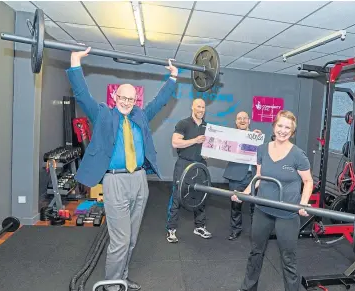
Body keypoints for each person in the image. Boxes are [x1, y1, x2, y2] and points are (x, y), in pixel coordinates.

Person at [66, 47, 178, 291]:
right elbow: (82, 95)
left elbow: (159, 102)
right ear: (115, 97)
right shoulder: (103, 115)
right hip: (115, 181)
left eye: (131, 99)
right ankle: (112, 286)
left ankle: (122, 278)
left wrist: (173, 78)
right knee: (120, 239)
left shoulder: (140, 115)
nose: (127, 102)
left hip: (139, 180)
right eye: (123, 98)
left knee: (132, 238)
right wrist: (75, 62)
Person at [231, 110, 313, 291]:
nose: (283, 130)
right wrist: (243, 194)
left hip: (287, 213)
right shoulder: (262, 149)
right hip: (263, 209)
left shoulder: (298, 155)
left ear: (292, 132)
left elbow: (308, 181)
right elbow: (258, 177)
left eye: (287, 128)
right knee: (255, 252)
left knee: (288, 258)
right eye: (280, 126)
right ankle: (248, 288)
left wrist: (304, 202)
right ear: (274, 126)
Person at [166, 98, 212, 243]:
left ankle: (200, 226)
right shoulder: (183, 123)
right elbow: (175, 142)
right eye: (198, 106)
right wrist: (195, 140)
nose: (201, 109)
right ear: (192, 107)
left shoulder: (207, 127)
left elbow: (209, 147)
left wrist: (207, 153)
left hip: (200, 166)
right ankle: (171, 229)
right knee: (177, 196)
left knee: (201, 196)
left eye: (203, 107)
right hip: (184, 164)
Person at [223, 111, 260, 241]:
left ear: (249, 121)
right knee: (235, 205)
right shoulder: (230, 137)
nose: (242, 120)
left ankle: (256, 233)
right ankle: (235, 230)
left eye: (245, 118)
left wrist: (258, 139)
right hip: (236, 175)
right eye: (239, 118)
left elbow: (265, 153)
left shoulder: (257, 136)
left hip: (254, 177)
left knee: (255, 207)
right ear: (236, 122)